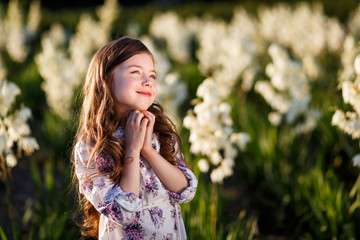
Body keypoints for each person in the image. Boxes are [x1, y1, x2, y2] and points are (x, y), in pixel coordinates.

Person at [71, 36, 198, 240]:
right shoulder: (91, 146)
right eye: (135, 72)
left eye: (152, 75)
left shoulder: (160, 131)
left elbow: (184, 190)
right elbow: (124, 211)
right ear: (105, 79)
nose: (147, 82)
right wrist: (132, 149)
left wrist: (147, 150)